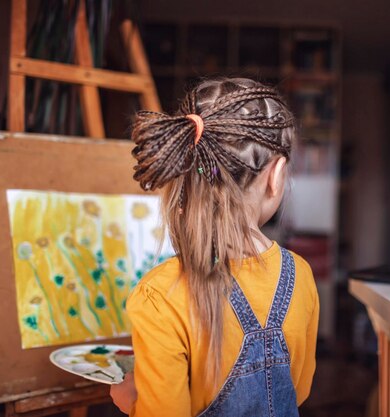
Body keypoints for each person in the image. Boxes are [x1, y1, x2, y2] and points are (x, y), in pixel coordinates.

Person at [110, 78, 319, 416]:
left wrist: (133, 401)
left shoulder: (160, 295)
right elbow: (301, 388)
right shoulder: (301, 276)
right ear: (277, 175)